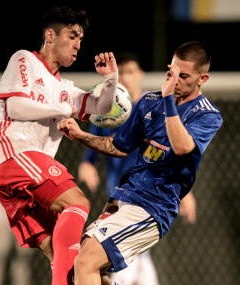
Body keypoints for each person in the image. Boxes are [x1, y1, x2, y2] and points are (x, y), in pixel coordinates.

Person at [58, 41, 222, 285]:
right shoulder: (148, 102)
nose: (176, 81)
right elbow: (118, 146)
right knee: (83, 268)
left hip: (153, 206)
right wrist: (81, 136)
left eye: (184, 76)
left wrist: (167, 99)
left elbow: (181, 146)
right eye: (172, 73)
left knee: (86, 263)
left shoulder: (207, 114)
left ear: (203, 79)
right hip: (123, 197)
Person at [0, 6, 118, 285]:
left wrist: (110, 80)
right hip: (15, 156)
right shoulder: (24, 60)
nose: (78, 45)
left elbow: (101, 107)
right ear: (50, 35)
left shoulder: (65, 87)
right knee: (78, 202)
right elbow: (16, 105)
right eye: (71, 36)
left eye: (80, 40)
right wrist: (60, 108)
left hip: (26, 176)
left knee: (60, 254)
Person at [78, 52, 197, 285]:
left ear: (141, 74)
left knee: (120, 267)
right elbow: (90, 155)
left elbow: (173, 156)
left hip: (150, 200)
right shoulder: (111, 113)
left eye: (131, 72)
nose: (127, 78)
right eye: (122, 73)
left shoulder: (155, 110)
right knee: (134, 267)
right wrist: (86, 166)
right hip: (122, 198)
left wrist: (187, 194)